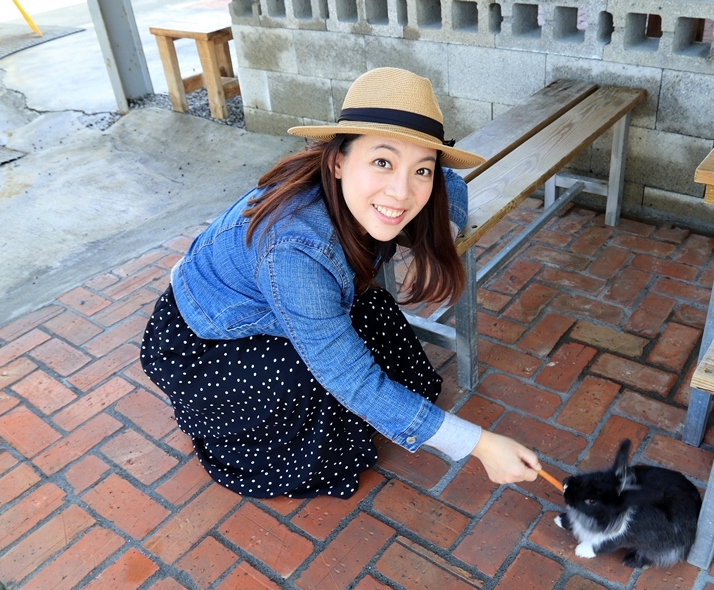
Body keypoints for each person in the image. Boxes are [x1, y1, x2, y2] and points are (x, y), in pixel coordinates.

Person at [140, 67, 541, 499]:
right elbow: (352, 380)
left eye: (418, 170)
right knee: (318, 370)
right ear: (337, 160)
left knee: (369, 314)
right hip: (205, 344)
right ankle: (268, 448)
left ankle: (369, 416)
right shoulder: (296, 250)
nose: (403, 193)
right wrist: (479, 444)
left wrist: (437, 227)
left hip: (274, 305)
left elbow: (448, 181)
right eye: (382, 162)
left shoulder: (361, 189)